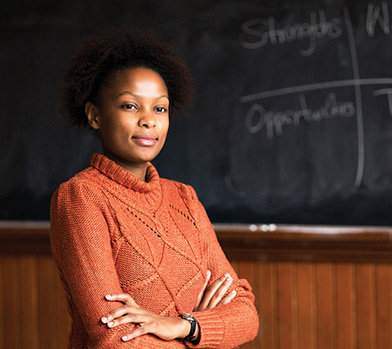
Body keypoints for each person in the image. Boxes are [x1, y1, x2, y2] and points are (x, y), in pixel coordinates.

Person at [50, 27, 259, 348]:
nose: (149, 120)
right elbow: (114, 337)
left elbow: (246, 315)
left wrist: (180, 326)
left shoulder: (184, 197)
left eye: (159, 108)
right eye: (130, 106)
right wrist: (201, 335)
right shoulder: (81, 196)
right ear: (94, 115)